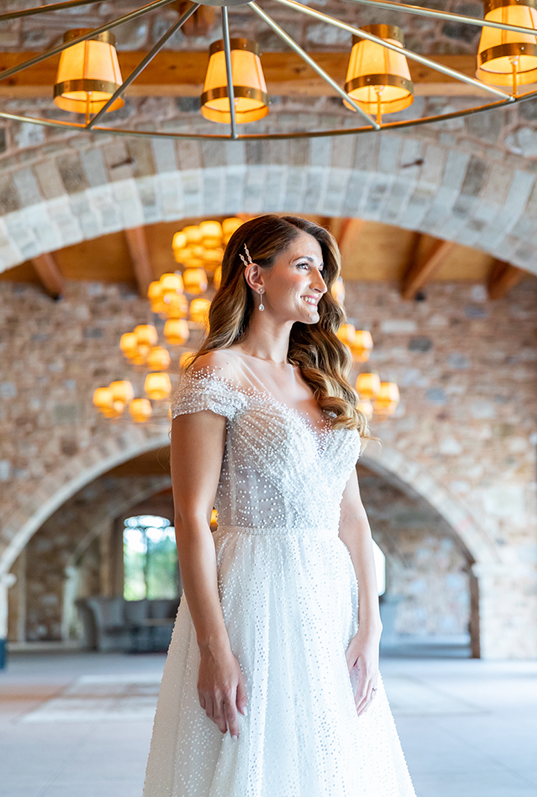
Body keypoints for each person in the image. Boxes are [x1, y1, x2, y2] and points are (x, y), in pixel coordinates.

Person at [142, 214, 417, 797]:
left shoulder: (326, 384)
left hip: (330, 600)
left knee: (335, 761)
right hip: (253, 592)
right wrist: (215, 650)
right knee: (253, 757)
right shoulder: (217, 373)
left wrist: (370, 629)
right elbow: (191, 518)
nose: (320, 282)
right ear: (255, 275)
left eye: (323, 270)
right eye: (303, 266)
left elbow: (352, 517)